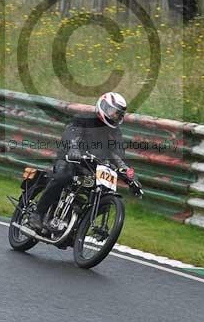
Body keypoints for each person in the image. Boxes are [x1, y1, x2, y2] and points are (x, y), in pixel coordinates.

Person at [27, 92, 140, 231]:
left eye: (118, 114)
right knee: (64, 176)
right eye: (112, 111)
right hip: (70, 159)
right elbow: (72, 133)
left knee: (104, 197)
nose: (114, 116)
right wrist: (74, 148)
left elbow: (118, 155)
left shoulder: (115, 132)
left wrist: (130, 176)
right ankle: (38, 214)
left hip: (93, 167)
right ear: (103, 106)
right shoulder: (85, 118)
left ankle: (79, 226)